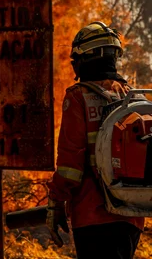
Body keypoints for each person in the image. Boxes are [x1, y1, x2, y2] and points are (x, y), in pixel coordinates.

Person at [46, 21, 145, 259]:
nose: (74, 67)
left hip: (92, 216)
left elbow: (70, 167)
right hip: (131, 216)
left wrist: (56, 202)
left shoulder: (78, 97)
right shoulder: (136, 99)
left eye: (75, 61)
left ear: (86, 59)